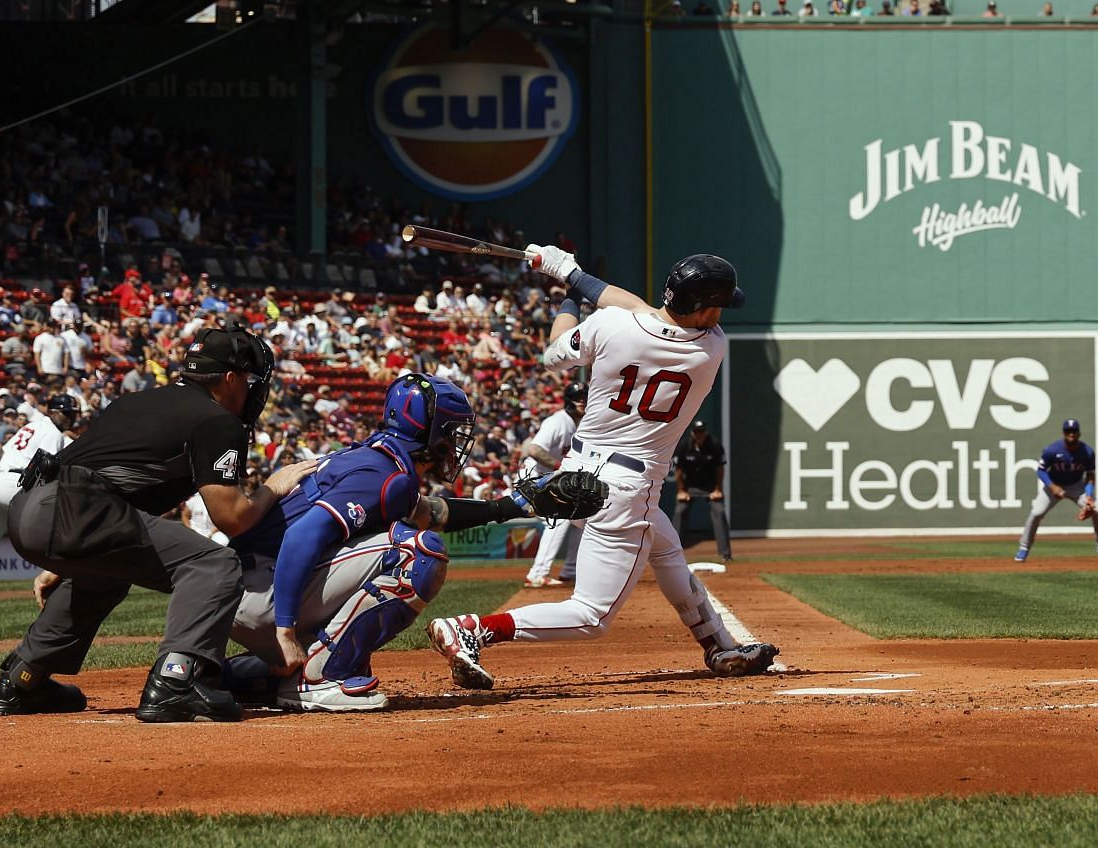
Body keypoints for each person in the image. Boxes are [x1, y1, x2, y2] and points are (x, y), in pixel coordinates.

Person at [427, 250, 780, 689]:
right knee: (591, 615)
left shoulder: (608, 326)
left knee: (668, 552)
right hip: (627, 488)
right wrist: (574, 276)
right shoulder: (711, 347)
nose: (722, 311)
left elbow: (559, 351)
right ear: (703, 307)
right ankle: (471, 629)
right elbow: (641, 310)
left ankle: (720, 645)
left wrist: (569, 293)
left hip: (575, 476)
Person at [0, 321, 315, 723]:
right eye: (249, 380)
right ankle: (175, 681)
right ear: (230, 378)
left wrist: (68, 556)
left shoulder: (136, 401)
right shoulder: (216, 419)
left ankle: (22, 680)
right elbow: (232, 518)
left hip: (31, 509)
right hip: (74, 512)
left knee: (103, 578)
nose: (251, 390)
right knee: (213, 564)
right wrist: (273, 487)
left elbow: (105, 479)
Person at [221, 372, 562, 713]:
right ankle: (320, 677)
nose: (456, 443)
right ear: (431, 430)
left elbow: (432, 512)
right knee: (419, 552)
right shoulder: (384, 473)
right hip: (264, 593)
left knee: (361, 616)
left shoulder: (377, 459)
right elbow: (301, 536)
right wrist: (285, 630)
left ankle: (235, 676)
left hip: (243, 589)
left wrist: (510, 505)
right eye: (452, 431)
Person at [0, 396, 84, 565]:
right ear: (52, 412)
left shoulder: (32, 426)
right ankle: (64, 573)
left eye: (72, 413)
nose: (70, 417)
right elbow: (46, 468)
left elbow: (4, 452)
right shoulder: (53, 432)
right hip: (16, 484)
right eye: (66, 413)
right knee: (62, 519)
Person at [1014, 419, 1098, 562]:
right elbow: (1041, 471)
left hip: (1077, 486)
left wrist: (1089, 496)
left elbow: (1090, 475)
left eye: (1074, 431)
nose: (1071, 434)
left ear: (1079, 433)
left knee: (1097, 510)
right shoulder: (1052, 450)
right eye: (1068, 431)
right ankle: (1024, 547)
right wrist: (1053, 487)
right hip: (1054, 484)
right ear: (1063, 433)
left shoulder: (1087, 452)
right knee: (1036, 513)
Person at [521, 382, 587, 589]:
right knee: (558, 520)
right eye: (578, 397)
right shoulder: (558, 421)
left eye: (585, 396)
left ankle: (570, 570)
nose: (582, 401)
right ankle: (537, 574)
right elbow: (534, 450)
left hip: (553, 479)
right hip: (535, 477)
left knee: (582, 517)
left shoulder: (582, 423)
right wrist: (561, 466)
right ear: (568, 401)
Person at [674, 419, 731, 563]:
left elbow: (720, 468)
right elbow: (679, 470)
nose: (699, 434)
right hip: (690, 487)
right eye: (696, 432)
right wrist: (681, 491)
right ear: (692, 432)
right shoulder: (684, 446)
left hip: (710, 487)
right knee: (681, 511)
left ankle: (725, 554)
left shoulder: (714, 445)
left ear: (705, 432)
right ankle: (673, 554)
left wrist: (718, 489)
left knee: (719, 511)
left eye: (701, 432)